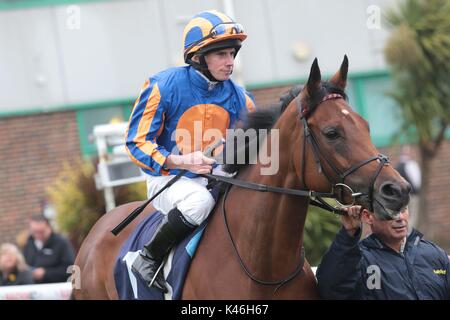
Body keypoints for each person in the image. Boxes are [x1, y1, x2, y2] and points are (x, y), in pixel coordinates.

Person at [125, 9, 255, 293]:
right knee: (199, 202)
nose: (230, 62)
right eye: (221, 54)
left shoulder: (240, 97)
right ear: (198, 56)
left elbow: (255, 148)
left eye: (232, 54)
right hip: (168, 180)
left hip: (218, 178)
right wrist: (179, 160)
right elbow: (136, 142)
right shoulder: (162, 86)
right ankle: (149, 258)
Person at [316, 206, 450, 299]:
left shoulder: (433, 253)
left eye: (403, 209)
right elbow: (330, 290)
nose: (399, 217)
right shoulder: (357, 259)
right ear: (368, 216)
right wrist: (348, 234)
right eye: (389, 210)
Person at [22, 215, 75, 284]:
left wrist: (46, 273)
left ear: (49, 228)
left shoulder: (61, 243)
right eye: (35, 232)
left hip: (58, 288)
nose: (38, 235)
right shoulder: (28, 243)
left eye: (41, 231)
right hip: (34, 288)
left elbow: (71, 268)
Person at [395, 145, 421, 228]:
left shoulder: (399, 166)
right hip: (410, 195)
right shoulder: (408, 165)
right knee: (411, 216)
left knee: (407, 216)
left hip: (404, 196)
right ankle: (408, 234)